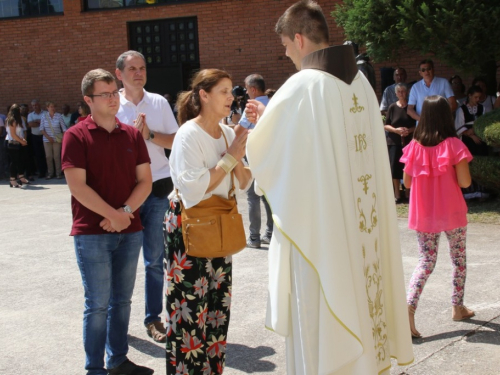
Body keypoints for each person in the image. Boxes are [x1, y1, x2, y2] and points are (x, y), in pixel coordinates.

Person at [245, 1, 414, 373]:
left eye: (287, 45)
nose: (287, 54)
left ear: (300, 38)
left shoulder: (302, 86)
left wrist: (260, 131)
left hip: (321, 237)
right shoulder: (361, 85)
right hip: (359, 228)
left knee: (320, 316)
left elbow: (263, 157)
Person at [62, 68, 154, 375]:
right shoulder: (76, 136)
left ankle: (118, 360)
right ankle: (95, 368)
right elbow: (77, 186)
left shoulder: (131, 134)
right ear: (88, 100)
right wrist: (112, 215)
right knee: (98, 304)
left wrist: (124, 213)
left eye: (115, 92)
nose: (114, 99)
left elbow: (145, 182)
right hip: (92, 233)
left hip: (130, 231)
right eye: (105, 94)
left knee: (122, 301)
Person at [164, 69, 252, 374]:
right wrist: (229, 157)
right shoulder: (188, 135)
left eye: (232, 92)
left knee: (216, 313)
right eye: (224, 91)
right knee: (189, 315)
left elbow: (243, 182)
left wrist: (240, 142)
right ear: (204, 95)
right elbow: (193, 189)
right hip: (190, 226)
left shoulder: (229, 133)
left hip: (220, 224)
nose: (231, 98)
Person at [115, 50, 179, 344]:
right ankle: (118, 320)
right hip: (123, 191)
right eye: (131, 69)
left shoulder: (159, 103)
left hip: (157, 188)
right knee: (122, 261)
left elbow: (176, 142)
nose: (138, 73)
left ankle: (153, 319)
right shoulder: (111, 103)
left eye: (142, 68)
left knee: (154, 261)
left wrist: (149, 136)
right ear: (120, 74)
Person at [401, 95, 475, 338]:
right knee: (458, 261)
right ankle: (458, 306)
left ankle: (409, 309)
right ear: (446, 116)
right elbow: (465, 182)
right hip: (452, 211)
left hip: (424, 213)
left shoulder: (413, 147)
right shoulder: (454, 145)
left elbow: (407, 183)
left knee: (426, 262)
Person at [234, 74, 273, 248]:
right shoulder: (273, 103)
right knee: (267, 196)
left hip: (255, 155)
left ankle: (254, 237)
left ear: (253, 89)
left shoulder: (252, 106)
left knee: (252, 196)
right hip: (271, 155)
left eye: (247, 88)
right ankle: (271, 234)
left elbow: (238, 131)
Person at [455, 85, 489, 199]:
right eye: (475, 97)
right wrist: (470, 134)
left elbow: (483, 122)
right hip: (467, 141)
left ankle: (481, 191)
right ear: (469, 96)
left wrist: (475, 131)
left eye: (479, 97)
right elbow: (459, 126)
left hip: (479, 139)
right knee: (469, 164)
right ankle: (469, 192)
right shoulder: (462, 109)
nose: (477, 100)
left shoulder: (482, 108)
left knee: (480, 162)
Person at [384, 83, 416, 203]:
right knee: (394, 167)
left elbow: (417, 124)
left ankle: (408, 193)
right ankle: (397, 194)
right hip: (394, 141)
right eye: (399, 91)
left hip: (409, 141)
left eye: (404, 91)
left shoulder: (411, 107)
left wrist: (410, 130)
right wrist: (396, 130)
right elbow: (386, 125)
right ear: (396, 94)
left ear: (407, 92)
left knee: (407, 167)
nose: (402, 93)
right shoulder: (392, 107)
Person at [39, 101, 67, 179]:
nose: (52, 108)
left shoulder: (59, 116)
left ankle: (58, 173)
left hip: (57, 140)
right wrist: (48, 137)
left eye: (53, 106)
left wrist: (64, 137)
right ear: (47, 108)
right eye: (51, 107)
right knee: (48, 156)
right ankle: (50, 173)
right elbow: (41, 129)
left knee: (57, 156)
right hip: (47, 140)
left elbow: (64, 128)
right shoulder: (43, 116)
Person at [5, 104, 29, 188]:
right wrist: (21, 141)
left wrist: (22, 140)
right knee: (14, 162)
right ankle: (12, 180)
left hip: (18, 142)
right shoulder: (12, 120)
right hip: (13, 143)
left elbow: (20, 132)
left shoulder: (18, 120)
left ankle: (21, 177)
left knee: (20, 161)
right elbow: (13, 134)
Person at [27, 99, 48, 178]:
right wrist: (40, 122)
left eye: (36, 105)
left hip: (45, 136)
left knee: (47, 154)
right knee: (38, 155)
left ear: (39, 105)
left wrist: (37, 121)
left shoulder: (45, 113)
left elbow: (46, 124)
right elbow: (30, 124)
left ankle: (48, 171)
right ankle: (41, 172)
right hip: (35, 136)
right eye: (33, 106)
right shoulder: (30, 115)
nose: (35, 107)